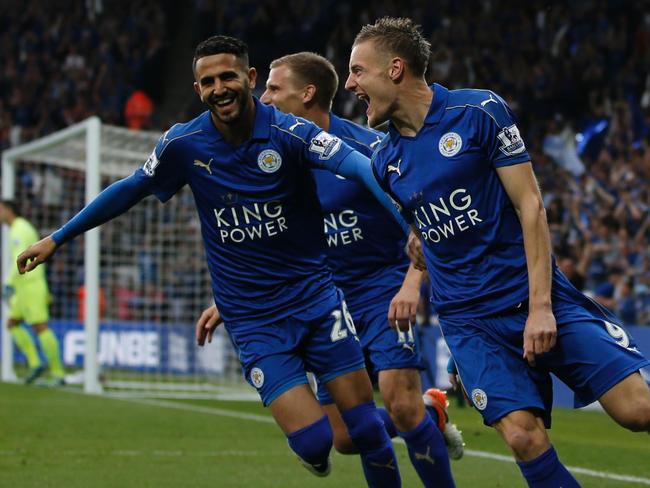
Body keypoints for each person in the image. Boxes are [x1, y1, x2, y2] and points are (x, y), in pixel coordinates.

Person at [17, 35, 405, 488]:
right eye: (207, 81)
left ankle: (415, 421)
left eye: (227, 76)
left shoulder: (289, 133)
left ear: (250, 78)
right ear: (198, 88)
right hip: (254, 319)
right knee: (315, 442)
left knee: (363, 430)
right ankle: (334, 445)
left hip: (317, 301)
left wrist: (409, 221)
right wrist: (59, 237)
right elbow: (129, 188)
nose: (219, 88)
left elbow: (359, 166)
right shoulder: (185, 144)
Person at [344, 17, 650, 488]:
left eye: (358, 71)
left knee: (637, 410)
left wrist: (542, 307)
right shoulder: (386, 161)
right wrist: (416, 260)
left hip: (535, 297)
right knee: (524, 438)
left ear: (395, 69)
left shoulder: (478, 111)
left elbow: (531, 205)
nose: (350, 83)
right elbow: (426, 225)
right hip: (470, 321)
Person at [198, 51, 462, 488]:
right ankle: (432, 414)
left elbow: (423, 216)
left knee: (401, 405)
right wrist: (230, 298)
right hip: (321, 297)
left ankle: (424, 428)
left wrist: (414, 282)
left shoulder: (365, 148)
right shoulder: (274, 156)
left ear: (308, 94)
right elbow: (270, 237)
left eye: (274, 88)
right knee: (343, 437)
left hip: (383, 289)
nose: (262, 97)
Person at [0, 200, 65, 385]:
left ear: (8, 210)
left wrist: (8, 283)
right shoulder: (17, 228)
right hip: (23, 286)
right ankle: (36, 364)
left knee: (40, 327)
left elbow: (19, 258)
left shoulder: (20, 228)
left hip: (31, 284)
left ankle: (58, 374)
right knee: (12, 324)